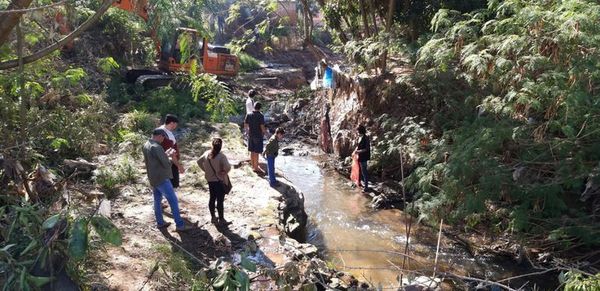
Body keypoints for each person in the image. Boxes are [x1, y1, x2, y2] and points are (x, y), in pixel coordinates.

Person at [142, 128, 191, 231]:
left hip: (153, 177)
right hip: (162, 178)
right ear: (160, 136)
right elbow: (166, 163)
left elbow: (155, 159)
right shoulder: (157, 147)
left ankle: (160, 222)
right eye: (163, 138)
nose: (163, 140)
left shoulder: (146, 144)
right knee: (173, 200)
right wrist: (171, 156)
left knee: (157, 200)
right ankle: (180, 225)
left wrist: (165, 155)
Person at [197, 138, 232, 225]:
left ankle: (213, 217)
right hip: (219, 180)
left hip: (210, 180)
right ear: (221, 146)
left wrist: (205, 170)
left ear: (212, 145)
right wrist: (224, 172)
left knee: (212, 198)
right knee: (220, 200)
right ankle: (221, 219)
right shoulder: (221, 156)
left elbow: (198, 162)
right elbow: (228, 167)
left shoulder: (206, 153)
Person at [159, 114, 184, 189]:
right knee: (170, 186)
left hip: (170, 163)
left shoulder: (165, 131)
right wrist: (179, 166)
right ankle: (171, 200)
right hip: (169, 164)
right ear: (172, 123)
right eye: (176, 124)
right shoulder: (163, 134)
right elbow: (171, 154)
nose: (176, 126)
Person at [244, 102, 266, 174]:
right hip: (258, 136)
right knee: (256, 152)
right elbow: (262, 127)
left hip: (251, 136)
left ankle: (253, 166)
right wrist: (265, 133)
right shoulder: (260, 115)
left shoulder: (249, 114)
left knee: (252, 151)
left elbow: (245, 124)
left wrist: (247, 132)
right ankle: (256, 168)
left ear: (254, 107)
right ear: (260, 108)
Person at [354, 125, 371, 192]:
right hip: (360, 156)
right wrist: (355, 151)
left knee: (364, 171)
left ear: (360, 131)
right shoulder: (360, 137)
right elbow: (358, 146)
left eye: (358, 131)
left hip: (364, 156)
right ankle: (360, 182)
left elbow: (367, 149)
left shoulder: (366, 138)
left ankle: (366, 187)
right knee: (360, 170)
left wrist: (358, 151)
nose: (357, 132)